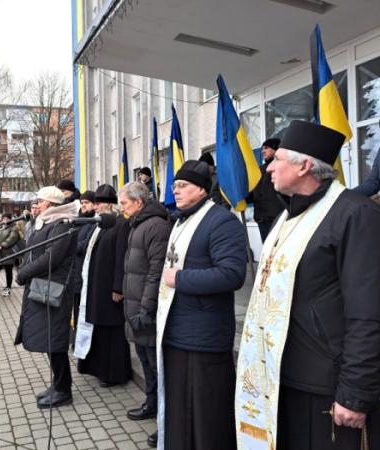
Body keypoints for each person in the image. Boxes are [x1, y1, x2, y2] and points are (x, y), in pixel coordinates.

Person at [235, 120, 380, 450]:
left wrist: (355, 392)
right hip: (280, 377)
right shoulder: (287, 216)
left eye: (277, 159)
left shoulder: (355, 215)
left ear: (303, 165)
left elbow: (368, 312)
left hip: (328, 389)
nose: (268, 166)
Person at [158, 160, 247, 450]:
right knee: (180, 409)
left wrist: (181, 278)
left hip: (203, 337)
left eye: (182, 186)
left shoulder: (221, 221)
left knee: (206, 416)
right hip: (175, 331)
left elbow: (232, 274)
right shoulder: (180, 220)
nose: (176, 191)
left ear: (201, 189)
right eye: (174, 186)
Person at [15, 186, 78, 409]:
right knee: (50, 340)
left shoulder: (62, 225)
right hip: (43, 287)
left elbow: (52, 258)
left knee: (55, 339)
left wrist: (24, 273)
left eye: (39, 202)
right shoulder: (49, 223)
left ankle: (63, 390)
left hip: (54, 290)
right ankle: (58, 384)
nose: (36, 205)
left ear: (50, 205)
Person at [119, 181, 171, 448]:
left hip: (146, 311)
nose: (121, 208)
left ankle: (166, 424)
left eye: (125, 203)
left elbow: (156, 271)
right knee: (146, 364)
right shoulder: (137, 224)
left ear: (139, 202)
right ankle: (151, 404)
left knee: (156, 367)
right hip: (135, 307)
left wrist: (146, 309)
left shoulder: (156, 226)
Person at [75, 184, 132, 387]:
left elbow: (120, 257)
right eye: (96, 204)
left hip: (110, 287)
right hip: (95, 283)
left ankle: (114, 373)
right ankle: (96, 368)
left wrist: (118, 287)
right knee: (98, 326)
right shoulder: (99, 224)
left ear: (110, 205)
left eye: (100, 204)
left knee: (112, 331)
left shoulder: (120, 224)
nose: (97, 207)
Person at [70, 191, 96, 332]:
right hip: (75, 273)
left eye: (86, 203)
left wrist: (70, 247)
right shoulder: (78, 221)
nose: (83, 206)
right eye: (82, 203)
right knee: (76, 307)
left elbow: (86, 245)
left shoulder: (95, 222)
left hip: (85, 274)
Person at [250, 138, 285, 241]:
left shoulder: (281, 167)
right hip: (261, 219)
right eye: (262, 148)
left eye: (266, 148)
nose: (262, 151)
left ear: (275, 149)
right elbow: (255, 193)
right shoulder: (260, 170)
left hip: (276, 219)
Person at [0, 213, 19, 297]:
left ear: (10, 219)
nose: (5, 220)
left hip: (8, 253)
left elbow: (12, 238)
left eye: (7, 218)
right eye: (4, 218)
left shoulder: (14, 228)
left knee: (8, 271)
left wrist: (1, 246)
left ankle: (8, 288)